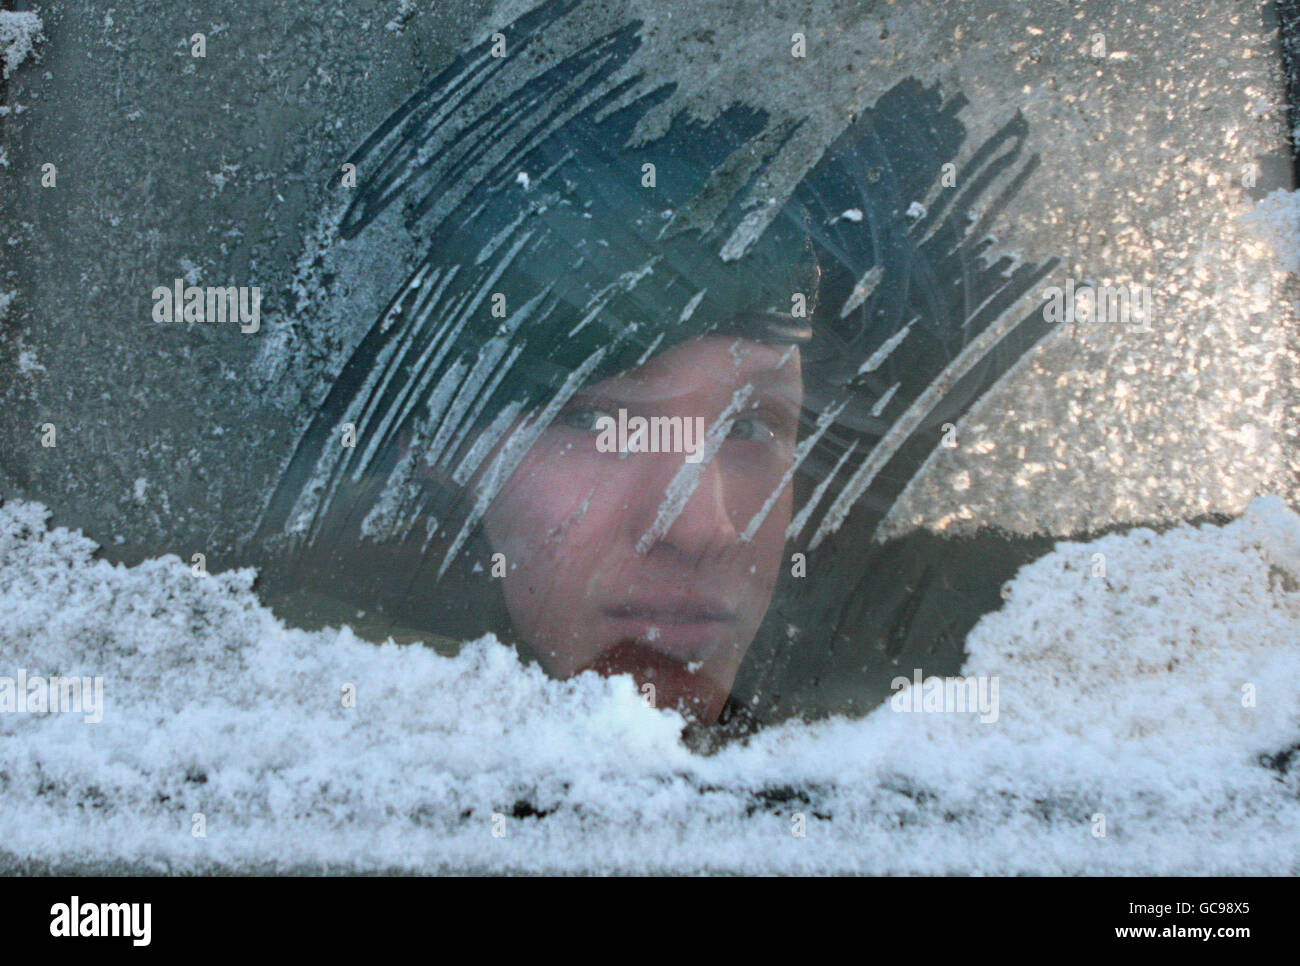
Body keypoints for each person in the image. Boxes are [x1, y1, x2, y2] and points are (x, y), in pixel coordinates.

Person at [251, 3, 1058, 734]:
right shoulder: (249, 728)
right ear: (425, 442)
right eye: (594, 420)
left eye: (751, 426)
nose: (702, 527)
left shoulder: (991, 717)